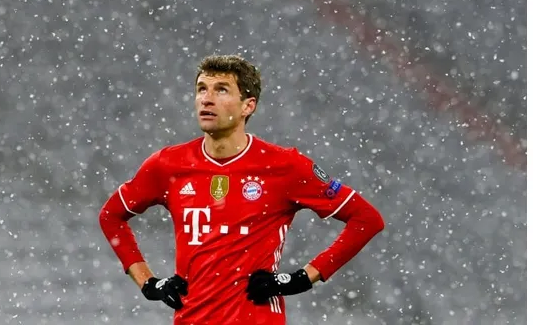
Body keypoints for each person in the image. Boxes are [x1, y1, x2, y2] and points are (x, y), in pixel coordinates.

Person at [98, 54, 385, 324]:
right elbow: (111, 216)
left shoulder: (285, 166)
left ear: (248, 105)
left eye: (221, 90)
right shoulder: (167, 165)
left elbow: (366, 219)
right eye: (201, 89)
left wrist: (301, 278)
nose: (206, 99)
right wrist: (149, 283)